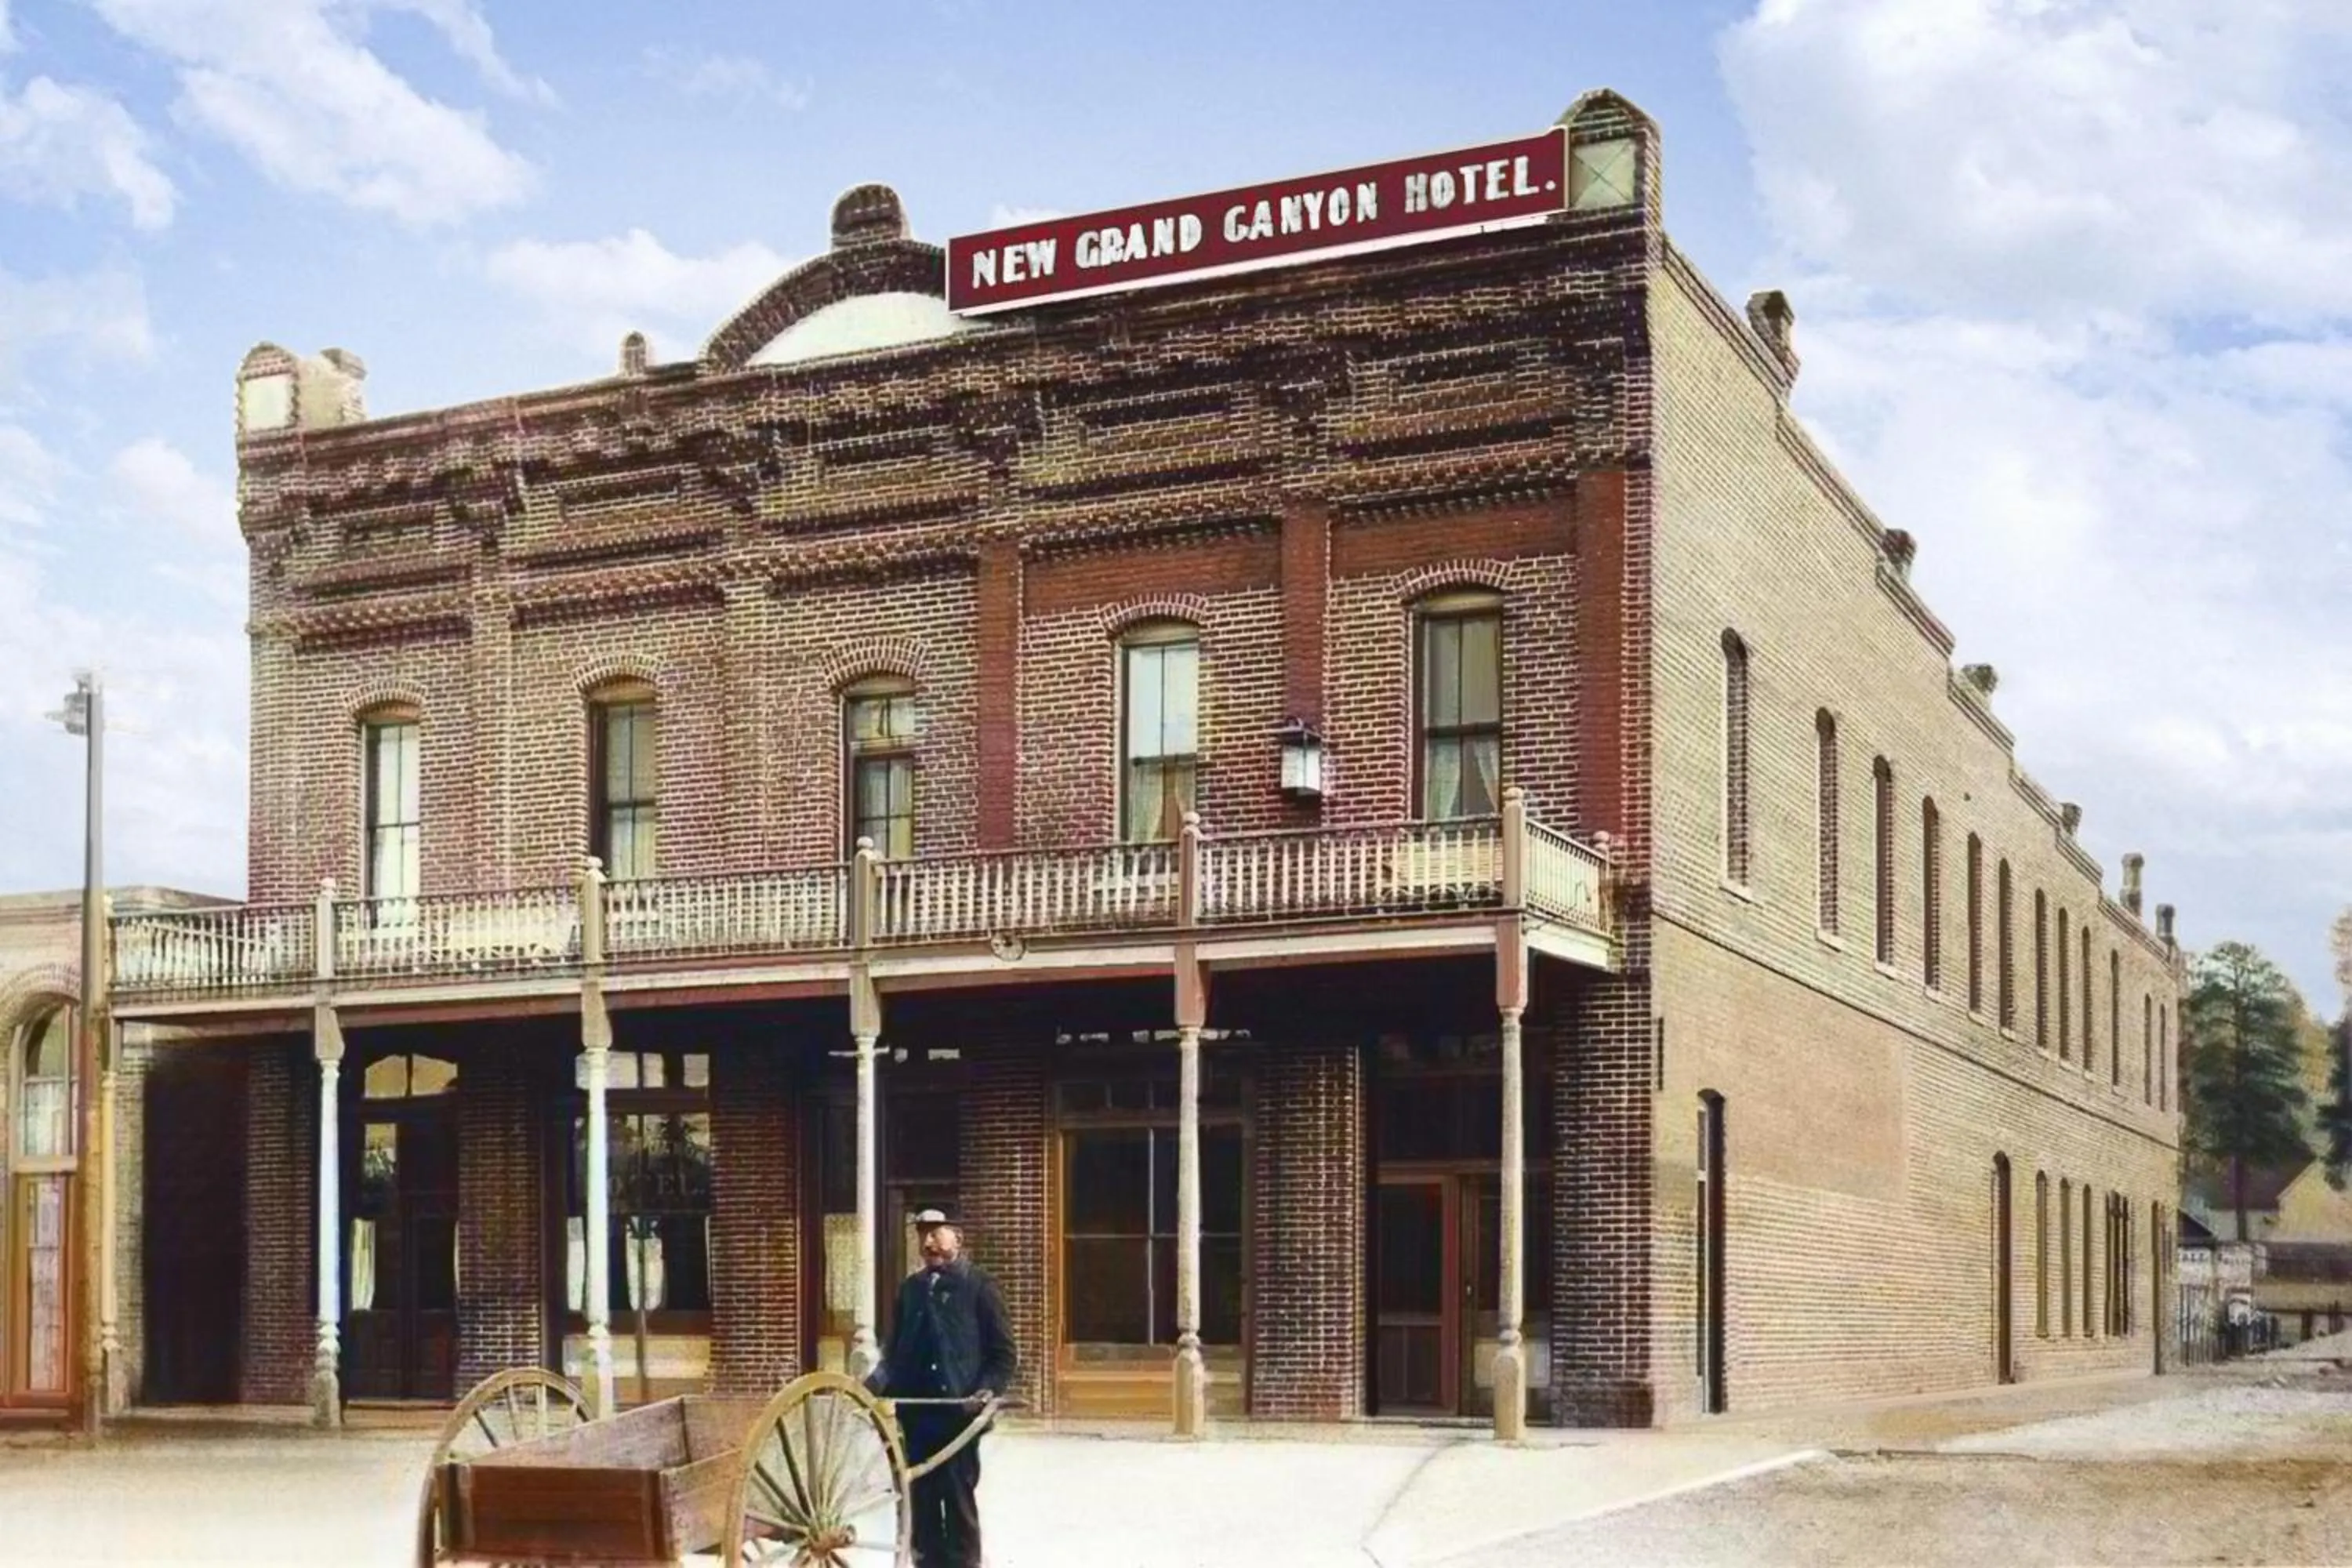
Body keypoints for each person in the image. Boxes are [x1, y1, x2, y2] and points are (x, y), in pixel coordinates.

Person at [865, 1209, 1018, 1568]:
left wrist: (985, 1391)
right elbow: (895, 1352)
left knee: (957, 1498)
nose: (928, 1241)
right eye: (922, 1234)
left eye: (936, 1232)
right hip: (917, 1417)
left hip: (959, 1418)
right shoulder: (912, 1289)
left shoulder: (979, 1287)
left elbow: (1004, 1354)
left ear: (958, 1239)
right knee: (921, 1501)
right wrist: (872, 1385)